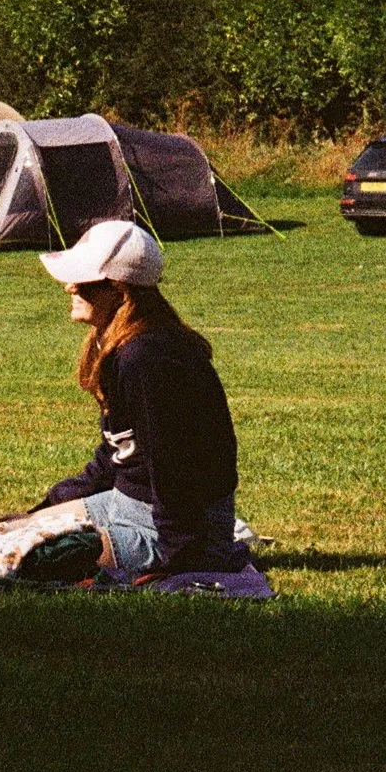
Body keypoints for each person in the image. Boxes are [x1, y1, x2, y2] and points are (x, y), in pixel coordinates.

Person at [29, 219, 242, 579]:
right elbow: (118, 454)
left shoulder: (148, 359)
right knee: (2, 537)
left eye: (81, 280)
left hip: (169, 527)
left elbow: (175, 468)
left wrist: (178, 561)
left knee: (30, 560)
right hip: (125, 504)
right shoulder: (120, 346)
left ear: (118, 289)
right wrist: (46, 508)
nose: (69, 287)